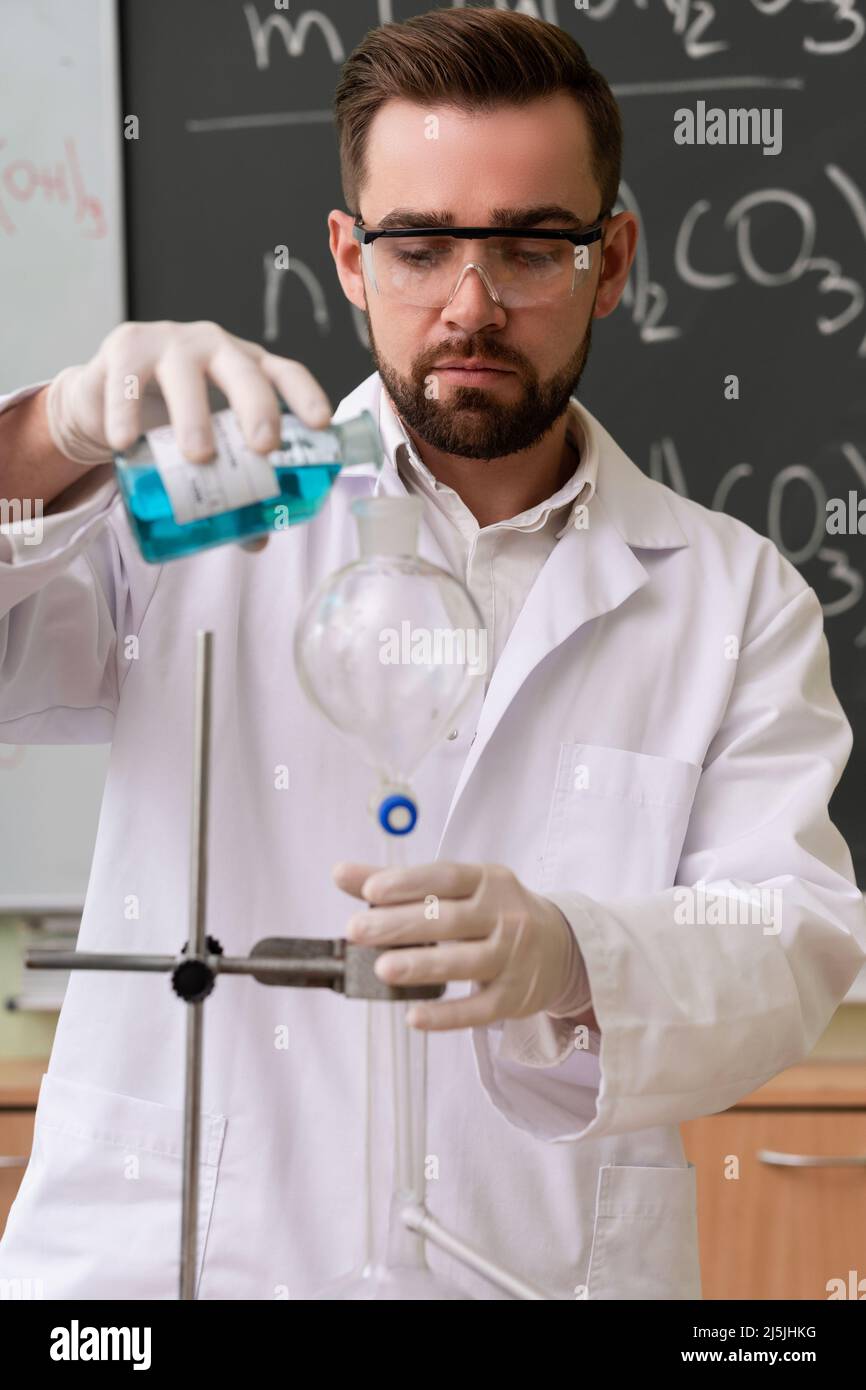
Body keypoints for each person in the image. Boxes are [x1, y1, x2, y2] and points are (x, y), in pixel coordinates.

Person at [0, 8, 863, 1302]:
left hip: (529, 1269)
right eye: (418, 245)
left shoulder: (734, 597)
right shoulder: (184, 512)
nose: (470, 302)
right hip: (179, 1274)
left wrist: (571, 951)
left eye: (528, 245)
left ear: (611, 259)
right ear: (349, 256)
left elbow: (789, 935)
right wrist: (46, 437)